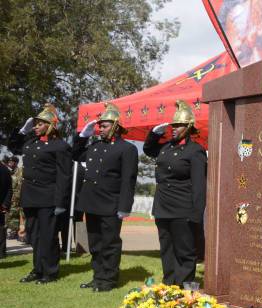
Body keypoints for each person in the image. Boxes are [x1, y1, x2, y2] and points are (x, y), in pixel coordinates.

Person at [73, 103, 138, 292]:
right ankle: (97, 276)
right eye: (99, 126)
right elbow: (76, 154)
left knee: (109, 243)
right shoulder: (94, 146)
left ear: (116, 126)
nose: (100, 129)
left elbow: (128, 180)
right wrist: (82, 137)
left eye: (104, 125)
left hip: (111, 203)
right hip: (91, 202)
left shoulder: (127, 149)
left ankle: (108, 280)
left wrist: (124, 206)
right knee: (95, 243)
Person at [144, 100, 206, 287]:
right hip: (163, 207)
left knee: (184, 251)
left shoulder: (195, 151)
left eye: (178, 125)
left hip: (183, 209)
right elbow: (148, 149)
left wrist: (196, 214)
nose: (173, 128)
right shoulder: (166, 147)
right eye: (173, 125)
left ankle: (184, 285)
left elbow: (199, 186)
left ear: (188, 127)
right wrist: (155, 134)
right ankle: (169, 284)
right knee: (167, 248)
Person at [8, 104, 72, 283]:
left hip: (49, 197)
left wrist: (60, 202)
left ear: (50, 125)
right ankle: (37, 269)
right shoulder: (30, 143)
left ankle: (50, 272)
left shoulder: (60, 146)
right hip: (30, 196)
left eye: (39, 124)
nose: (35, 127)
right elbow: (14, 147)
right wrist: (22, 130)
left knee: (48, 235)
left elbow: (64, 176)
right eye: (34, 124)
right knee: (34, 236)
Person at [0, 159, 13, 258]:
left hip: (1, 205)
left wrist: (5, 204)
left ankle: (1, 252)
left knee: (1, 229)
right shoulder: (5, 169)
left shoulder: (4, 170)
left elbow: (9, 188)